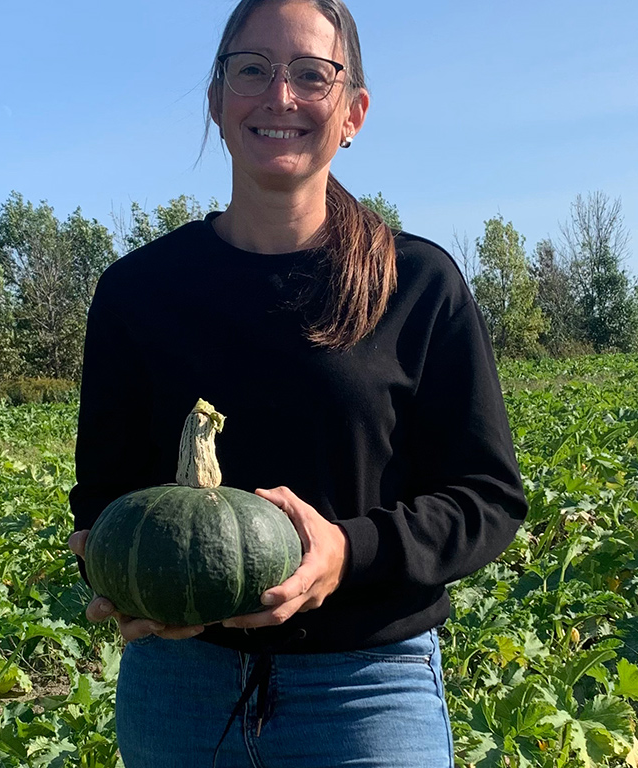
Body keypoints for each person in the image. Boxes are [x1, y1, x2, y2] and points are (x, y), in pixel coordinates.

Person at [65, 0, 527, 764]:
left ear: (353, 112)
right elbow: (103, 496)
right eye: (252, 69)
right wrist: (118, 571)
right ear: (216, 100)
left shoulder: (417, 284)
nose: (280, 96)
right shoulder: (137, 292)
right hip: (179, 686)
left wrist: (347, 552)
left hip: (368, 688)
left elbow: (487, 498)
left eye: (312, 75)